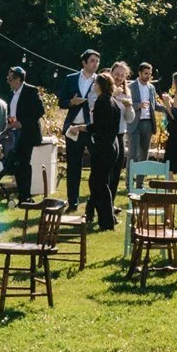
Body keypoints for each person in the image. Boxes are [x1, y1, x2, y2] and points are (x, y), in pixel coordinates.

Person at [1, 67, 46, 203]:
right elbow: (13, 112)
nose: (8, 82)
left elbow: (39, 111)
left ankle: (25, 195)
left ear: (18, 79)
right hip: (14, 132)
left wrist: (22, 123)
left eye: (10, 79)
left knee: (24, 163)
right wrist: (10, 120)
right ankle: (21, 192)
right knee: (16, 163)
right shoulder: (12, 93)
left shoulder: (31, 91)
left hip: (27, 132)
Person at [63, 51, 102, 208]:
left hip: (91, 128)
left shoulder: (100, 80)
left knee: (97, 165)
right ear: (84, 63)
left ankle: (95, 200)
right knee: (73, 167)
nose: (95, 64)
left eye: (97, 61)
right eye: (92, 61)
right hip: (73, 127)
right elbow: (61, 101)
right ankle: (72, 202)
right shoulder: (70, 79)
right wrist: (71, 102)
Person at [86, 73, 121, 231]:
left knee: (98, 184)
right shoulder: (113, 101)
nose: (94, 86)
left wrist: (83, 128)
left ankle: (106, 220)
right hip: (112, 146)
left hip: (104, 148)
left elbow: (99, 126)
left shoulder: (101, 102)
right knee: (100, 183)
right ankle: (104, 217)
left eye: (95, 84)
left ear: (100, 85)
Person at [130, 62, 159, 169]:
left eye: (150, 74)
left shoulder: (151, 88)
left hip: (148, 123)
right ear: (139, 73)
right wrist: (139, 105)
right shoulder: (131, 87)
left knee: (144, 155)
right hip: (134, 123)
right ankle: (129, 184)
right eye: (146, 73)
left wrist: (168, 108)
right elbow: (126, 105)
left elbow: (155, 105)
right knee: (133, 155)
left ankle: (140, 183)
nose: (148, 76)